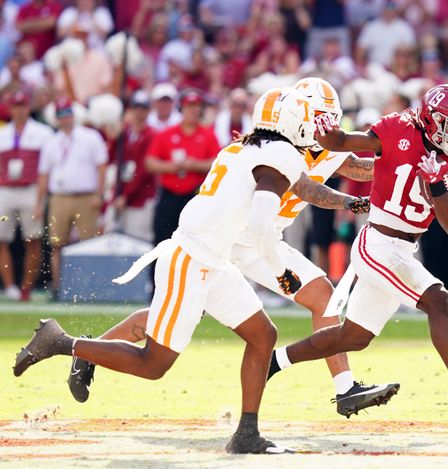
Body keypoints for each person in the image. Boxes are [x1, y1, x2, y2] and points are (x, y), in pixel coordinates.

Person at [68, 78, 399, 418]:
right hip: (241, 237)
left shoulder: (324, 148)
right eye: (321, 117)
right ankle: (89, 350)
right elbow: (309, 191)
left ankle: (344, 389)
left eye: (331, 118)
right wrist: (356, 204)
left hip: (260, 237)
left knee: (314, 297)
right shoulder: (277, 145)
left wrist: (405, 166)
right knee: (183, 314)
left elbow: (360, 167)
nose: (328, 125)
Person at [14, 87, 320, 454]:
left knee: (262, 335)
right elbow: (260, 223)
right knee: (154, 363)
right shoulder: (281, 152)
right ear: (290, 124)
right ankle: (62, 342)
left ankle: (246, 434)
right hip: (192, 258)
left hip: (211, 257)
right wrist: (280, 272)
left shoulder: (244, 147)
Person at [268, 83, 448, 419]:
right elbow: (342, 143)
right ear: (431, 121)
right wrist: (324, 133)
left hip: (403, 250)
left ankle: (273, 362)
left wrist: (439, 188)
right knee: (438, 299)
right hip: (377, 242)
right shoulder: (398, 129)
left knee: (352, 337)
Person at [36, 97, 107, 300]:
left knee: (88, 244)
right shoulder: (51, 142)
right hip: (59, 196)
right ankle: (58, 287)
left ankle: (89, 288)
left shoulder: (90, 137)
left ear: (73, 115)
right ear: (57, 118)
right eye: (61, 115)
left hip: (85, 195)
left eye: (68, 114)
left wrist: (98, 195)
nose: (65, 118)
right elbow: (44, 174)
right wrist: (39, 203)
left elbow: (101, 167)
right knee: (57, 243)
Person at [146, 89, 218, 248]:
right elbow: (150, 162)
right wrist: (171, 167)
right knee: (162, 241)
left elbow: (218, 162)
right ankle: (159, 272)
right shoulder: (166, 134)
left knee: (195, 242)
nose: (194, 110)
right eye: (190, 106)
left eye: (197, 106)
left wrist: (195, 165)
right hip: (169, 195)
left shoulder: (208, 135)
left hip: (195, 195)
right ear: (182, 109)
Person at [0, 91, 52, 301]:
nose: (19, 110)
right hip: (6, 188)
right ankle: (10, 285)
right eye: (16, 106)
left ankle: (26, 287)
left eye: (22, 106)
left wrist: (41, 198)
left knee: (33, 238)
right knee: (2, 238)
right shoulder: (3, 134)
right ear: (10, 109)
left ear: (28, 108)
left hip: (30, 188)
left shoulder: (43, 133)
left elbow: (45, 168)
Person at [109, 90, 157, 242]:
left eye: (143, 108)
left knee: (137, 240)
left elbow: (143, 170)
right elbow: (112, 158)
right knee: (112, 237)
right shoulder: (125, 132)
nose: (139, 112)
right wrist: (114, 138)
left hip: (140, 197)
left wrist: (126, 195)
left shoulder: (151, 135)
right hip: (119, 192)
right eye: (137, 108)